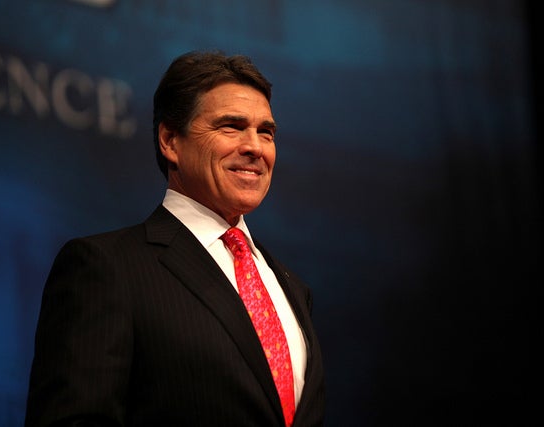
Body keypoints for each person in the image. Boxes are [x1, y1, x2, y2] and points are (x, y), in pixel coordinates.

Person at [25, 51, 325, 427]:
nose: (255, 147)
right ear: (170, 140)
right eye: (230, 126)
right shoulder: (108, 267)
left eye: (266, 132)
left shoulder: (293, 290)